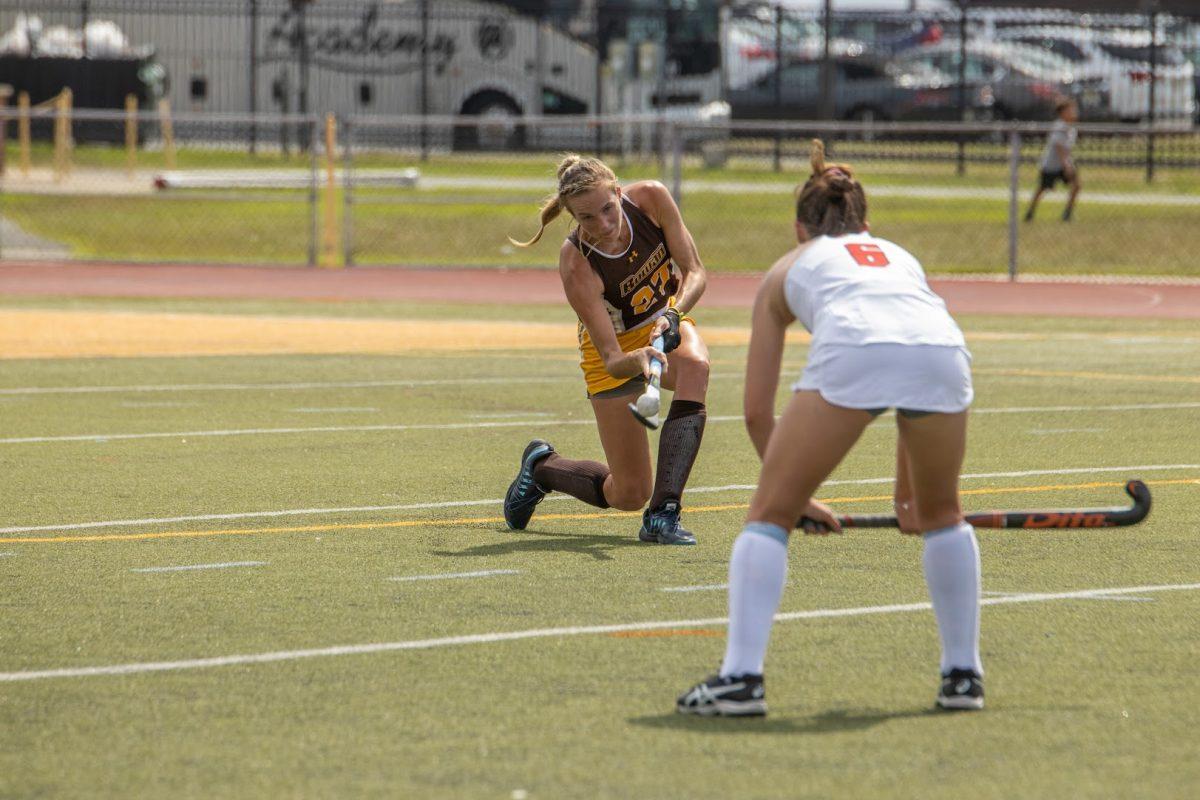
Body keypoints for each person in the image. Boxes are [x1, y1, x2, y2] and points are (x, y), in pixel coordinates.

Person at [677, 140, 983, 716]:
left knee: (765, 518)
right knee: (944, 517)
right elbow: (908, 385)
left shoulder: (785, 270)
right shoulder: (899, 255)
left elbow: (754, 413)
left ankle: (740, 679)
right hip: (944, 352)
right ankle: (962, 677)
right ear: (866, 222)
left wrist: (793, 500)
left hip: (854, 350)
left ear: (799, 229)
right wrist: (908, 499)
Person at [502, 154, 711, 545]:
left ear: (618, 193)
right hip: (613, 354)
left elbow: (696, 272)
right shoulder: (576, 262)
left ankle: (663, 515)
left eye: (608, 209)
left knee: (695, 368)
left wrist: (674, 314)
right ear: (572, 218)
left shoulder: (651, 199)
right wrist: (639, 358)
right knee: (629, 492)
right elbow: (613, 360)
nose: (604, 225)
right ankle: (543, 467)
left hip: (664, 323)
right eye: (587, 219)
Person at [1024, 98, 1081, 223]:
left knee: (1076, 186)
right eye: (1070, 110)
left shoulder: (1071, 128)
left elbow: (1067, 150)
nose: (1074, 112)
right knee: (1043, 188)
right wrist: (1067, 166)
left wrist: (1068, 164)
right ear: (1062, 112)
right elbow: (1059, 148)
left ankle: (1067, 214)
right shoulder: (1059, 126)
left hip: (1065, 163)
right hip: (1052, 165)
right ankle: (1030, 213)